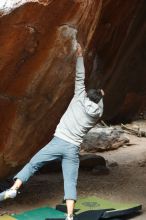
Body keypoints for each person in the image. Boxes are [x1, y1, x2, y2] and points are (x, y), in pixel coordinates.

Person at [0, 44, 104, 220]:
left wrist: (79, 56)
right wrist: (101, 96)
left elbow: (80, 77)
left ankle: (12, 190)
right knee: (70, 182)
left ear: (87, 94)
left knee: (33, 164)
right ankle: (70, 217)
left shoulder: (80, 97)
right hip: (72, 148)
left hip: (58, 142)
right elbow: (99, 102)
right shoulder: (98, 113)